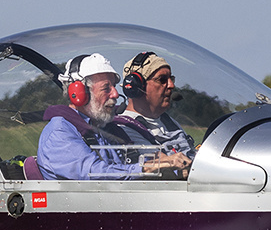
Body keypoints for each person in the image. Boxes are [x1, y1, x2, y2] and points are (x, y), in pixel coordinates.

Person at [37, 53, 192, 180]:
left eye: (113, 86)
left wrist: (167, 163)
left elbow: (128, 162)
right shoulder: (60, 132)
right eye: (106, 88)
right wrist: (147, 167)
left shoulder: (106, 128)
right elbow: (95, 173)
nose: (116, 94)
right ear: (79, 94)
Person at [115, 51, 196, 164]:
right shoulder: (125, 128)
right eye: (162, 80)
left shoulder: (169, 122)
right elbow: (159, 168)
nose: (171, 85)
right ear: (136, 87)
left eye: (171, 79)